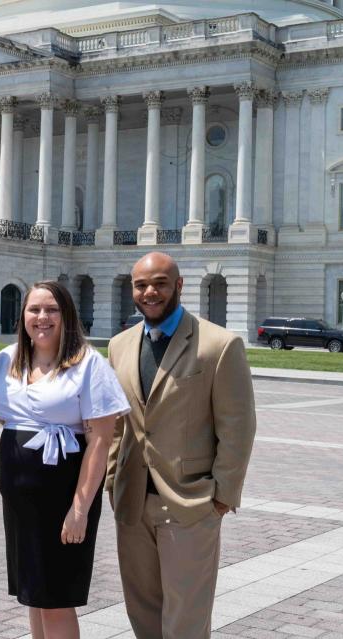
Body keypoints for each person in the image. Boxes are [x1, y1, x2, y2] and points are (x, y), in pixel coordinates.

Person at [106, 252, 256, 639]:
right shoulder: (119, 345)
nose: (150, 292)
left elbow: (237, 427)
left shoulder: (219, 345)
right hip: (133, 504)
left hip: (190, 504)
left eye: (159, 283)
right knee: (143, 614)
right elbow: (118, 422)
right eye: (141, 285)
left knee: (185, 622)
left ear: (179, 286)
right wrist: (111, 480)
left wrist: (222, 495)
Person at [0, 281, 130, 639]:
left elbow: (101, 440)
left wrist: (80, 508)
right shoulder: (6, 359)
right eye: (34, 309)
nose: (42, 317)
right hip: (20, 498)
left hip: (63, 494)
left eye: (52, 309)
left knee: (56, 598)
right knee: (34, 594)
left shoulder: (88, 365)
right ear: (23, 316)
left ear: (67, 315)